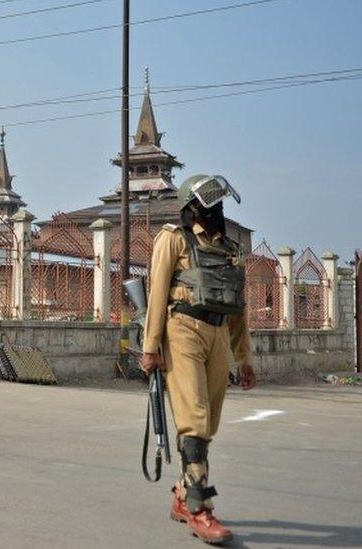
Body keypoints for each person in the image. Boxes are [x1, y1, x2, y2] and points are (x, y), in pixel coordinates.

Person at [140, 174, 256, 545]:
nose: (217, 211)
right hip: (182, 330)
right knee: (194, 419)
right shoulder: (173, 238)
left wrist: (245, 357)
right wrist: (150, 346)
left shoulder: (229, 248)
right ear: (193, 208)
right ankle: (198, 507)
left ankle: (181, 493)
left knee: (210, 422)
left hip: (219, 334)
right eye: (210, 205)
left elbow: (238, 307)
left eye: (220, 204)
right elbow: (157, 292)